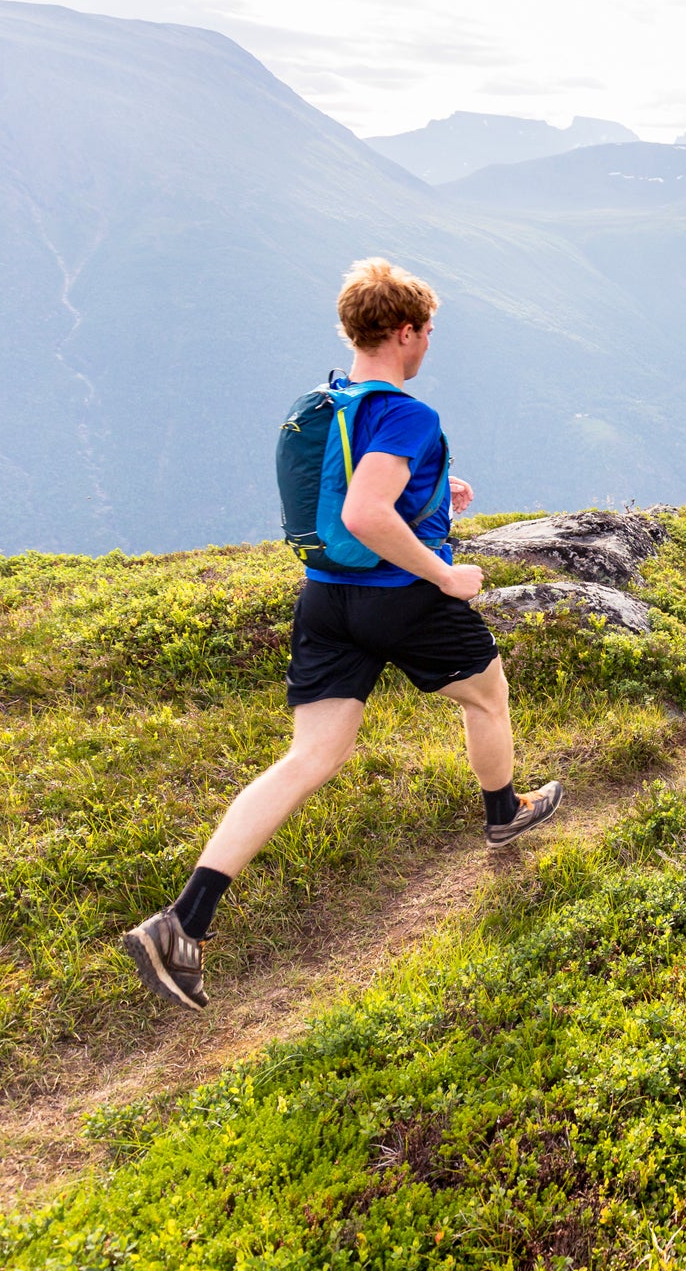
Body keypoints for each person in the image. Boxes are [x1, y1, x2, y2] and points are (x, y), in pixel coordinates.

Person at [122, 259, 562, 1011]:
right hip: (403, 600)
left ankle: (182, 923)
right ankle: (503, 816)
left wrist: (431, 494)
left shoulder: (330, 400)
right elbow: (363, 515)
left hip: (327, 600)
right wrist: (447, 575)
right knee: (487, 697)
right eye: (426, 332)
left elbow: (354, 497)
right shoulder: (405, 412)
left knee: (310, 757)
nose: (428, 345)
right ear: (404, 332)